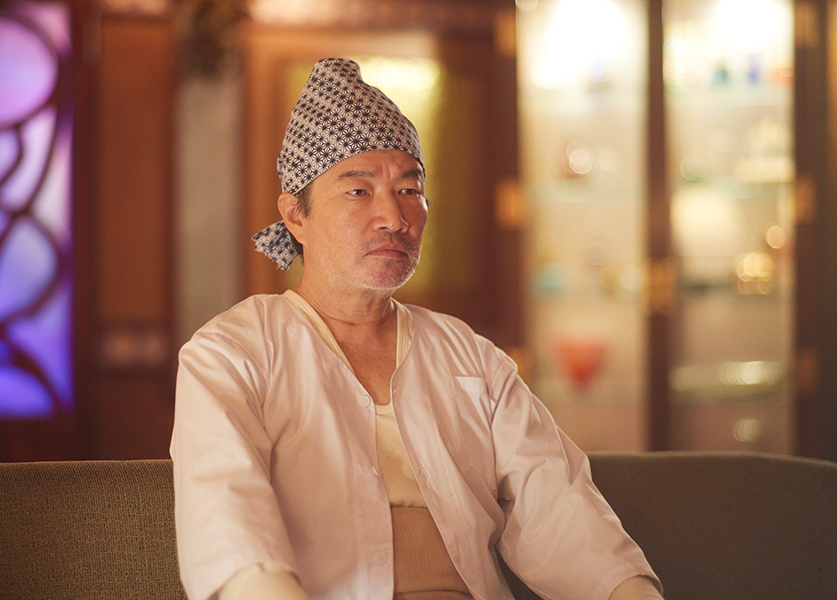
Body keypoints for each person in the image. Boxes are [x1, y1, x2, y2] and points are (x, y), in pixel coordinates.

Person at [171, 58, 664, 600]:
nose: (394, 217)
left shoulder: (470, 357)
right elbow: (228, 522)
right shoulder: (231, 354)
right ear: (295, 215)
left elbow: (559, 507)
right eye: (358, 191)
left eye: (409, 189)